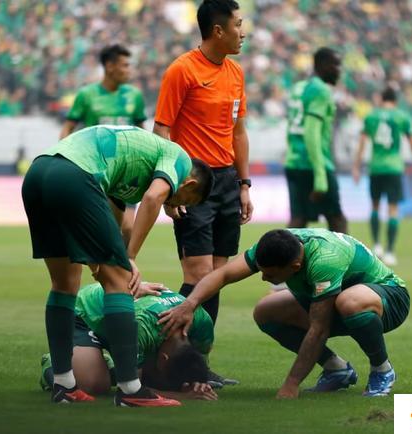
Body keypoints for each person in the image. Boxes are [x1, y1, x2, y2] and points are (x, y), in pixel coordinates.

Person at [21, 125, 213, 406]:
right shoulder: (179, 158)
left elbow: (108, 228)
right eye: (185, 201)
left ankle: (64, 385)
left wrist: (106, 270)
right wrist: (129, 258)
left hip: (39, 173)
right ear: (189, 185)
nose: (177, 207)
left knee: (64, 284)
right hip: (77, 174)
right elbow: (153, 198)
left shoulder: (127, 178)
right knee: (120, 281)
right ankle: (131, 391)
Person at [158, 228, 410, 398]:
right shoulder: (276, 244)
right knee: (266, 310)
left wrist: (291, 384)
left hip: (389, 299)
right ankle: (336, 369)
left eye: (270, 274)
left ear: (295, 266)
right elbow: (223, 274)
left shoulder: (324, 260)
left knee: (349, 302)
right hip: (338, 299)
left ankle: (382, 369)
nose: (263, 278)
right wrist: (189, 304)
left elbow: (319, 328)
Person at [153, 0, 252, 384]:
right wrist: (170, 187)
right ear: (218, 30)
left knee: (216, 278)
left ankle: (199, 366)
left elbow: (238, 132)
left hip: (227, 181)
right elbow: (161, 130)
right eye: (238, 24)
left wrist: (244, 184)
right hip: (193, 183)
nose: (243, 32)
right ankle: (167, 360)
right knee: (197, 275)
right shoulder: (182, 70)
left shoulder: (236, 72)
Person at [39, 282, 218, 402]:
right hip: (85, 314)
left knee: (151, 374)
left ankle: (109, 366)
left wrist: (197, 382)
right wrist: (180, 395)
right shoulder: (142, 327)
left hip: (119, 322)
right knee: (93, 385)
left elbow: (197, 361)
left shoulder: (202, 322)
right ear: (163, 358)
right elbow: (132, 389)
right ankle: (56, 363)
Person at [60, 44, 147, 249]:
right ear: (109, 66)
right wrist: (66, 157)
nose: (129, 70)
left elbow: (142, 131)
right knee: (101, 227)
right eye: (125, 65)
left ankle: (123, 264)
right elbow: (68, 128)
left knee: (128, 227)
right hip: (97, 169)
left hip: (128, 169)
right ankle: (105, 265)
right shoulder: (86, 95)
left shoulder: (134, 95)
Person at [352, 86, 412, 266]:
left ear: (381, 99)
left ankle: (377, 245)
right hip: (393, 168)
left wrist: (356, 166)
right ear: (395, 100)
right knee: (393, 209)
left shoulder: (371, 117)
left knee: (375, 206)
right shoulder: (401, 116)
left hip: (376, 167)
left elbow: (362, 143)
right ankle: (390, 251)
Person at [285, 47, 347, 233]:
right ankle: (343, 253)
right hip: (315, 163)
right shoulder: (321, 90)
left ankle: (280, 252)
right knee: (336, 219)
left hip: (294, 161)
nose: (339, 71)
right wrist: (320, 175)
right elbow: (311, 133)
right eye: (336, 65)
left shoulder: (298, 88)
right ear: (323, 65)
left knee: (298, 219)